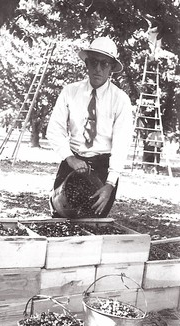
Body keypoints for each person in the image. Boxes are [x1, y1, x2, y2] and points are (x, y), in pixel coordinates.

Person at [47, 36, 134, 217]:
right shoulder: (70, 92)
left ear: (111, 68)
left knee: (93, 224)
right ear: (86, 63)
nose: (98, 69)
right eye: (93, 62)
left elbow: (122, 143)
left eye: (105, 64)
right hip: (72, 161)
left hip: (102, 167)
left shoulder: (121, 100)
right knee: (60, 217)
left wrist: (110, 184)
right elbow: (54, 129)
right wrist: (70, 158)